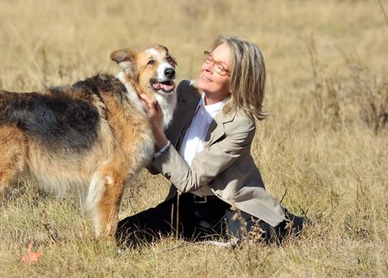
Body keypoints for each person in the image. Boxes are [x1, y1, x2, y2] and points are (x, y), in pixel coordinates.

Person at [116, 34, 305, 247]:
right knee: (123, 233)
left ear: (237, 82)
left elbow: (190, 181)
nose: (207, 67)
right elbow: (153, 165)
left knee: (251, 241)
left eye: (220, 67)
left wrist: (156, 131)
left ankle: (290, 223)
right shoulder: (184, 93)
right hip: (187, 206)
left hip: (231, 207)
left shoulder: (241, 123)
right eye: (209, 59)